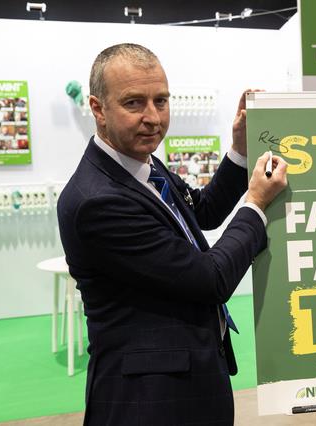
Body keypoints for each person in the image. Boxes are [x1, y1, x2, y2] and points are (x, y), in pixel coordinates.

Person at [57, 43, 287, 425]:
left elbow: (202, 211)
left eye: (161, 101)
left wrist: (240, 151)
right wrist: (256, 205)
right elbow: (211, 278)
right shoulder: (97, 202)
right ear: (98, 108)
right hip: (149, 401)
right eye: (134, 103)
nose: (153, 117)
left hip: (188, 383)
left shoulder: (143, 163)